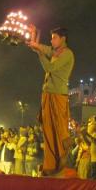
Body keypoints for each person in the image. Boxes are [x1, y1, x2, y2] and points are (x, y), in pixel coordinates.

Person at [28, 27, 75, 176]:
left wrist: (40, 52)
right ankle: (50, 166)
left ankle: (61, 161)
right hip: (48, 94)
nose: (51, 40)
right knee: (48, 130)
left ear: (63, 38)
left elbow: (50, 67)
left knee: (59, 131)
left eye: (54, 37)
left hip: (58, 96)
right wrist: (34, 37)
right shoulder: (56, 52)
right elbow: (42, 48)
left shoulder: (67, 54)